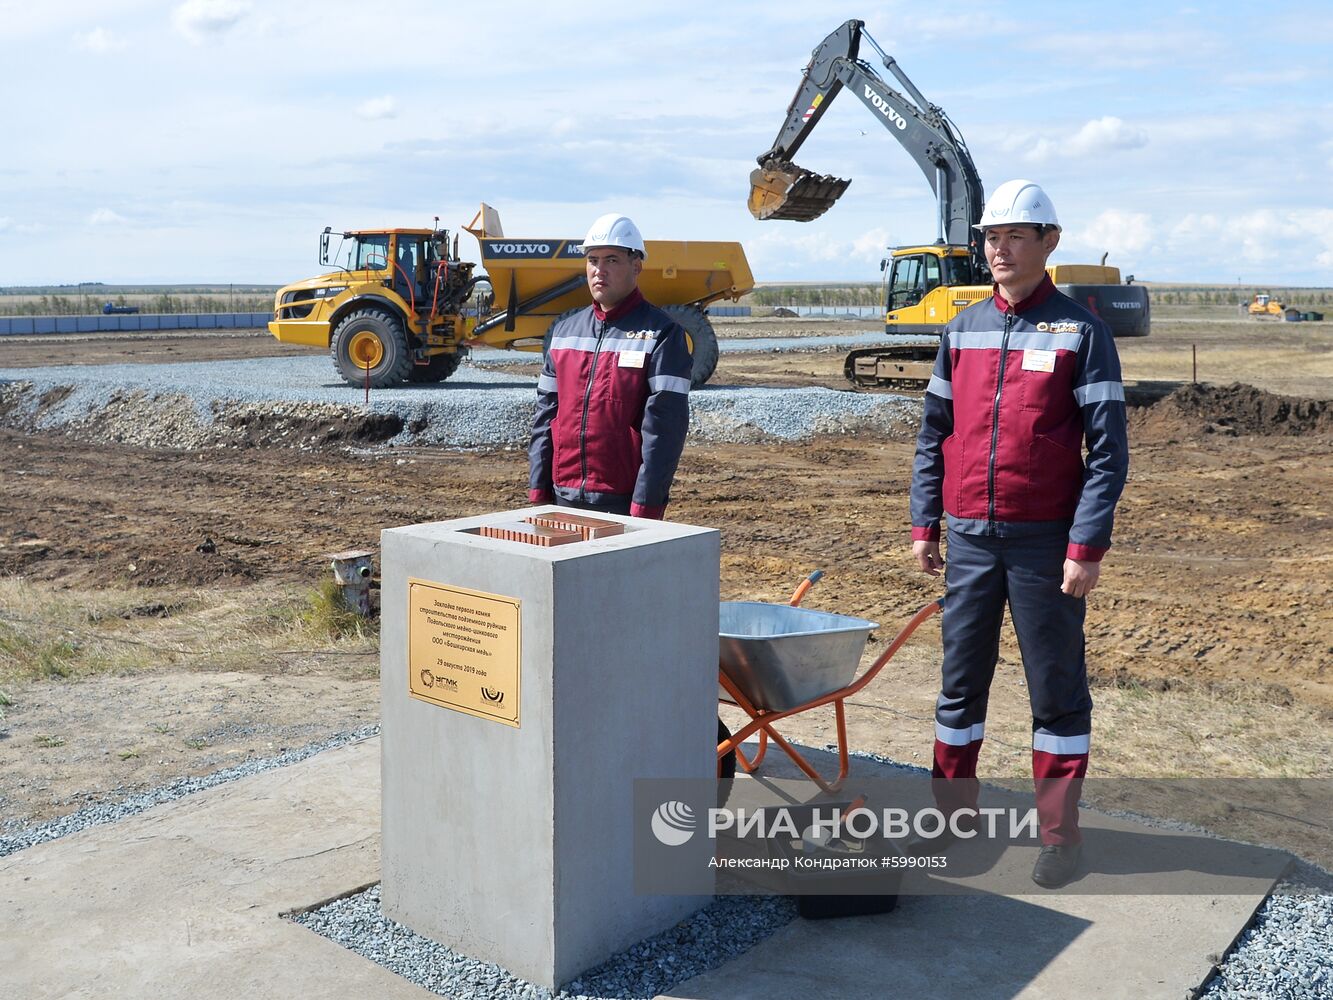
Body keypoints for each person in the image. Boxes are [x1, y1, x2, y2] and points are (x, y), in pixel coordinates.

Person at [909, 179, 1129, 889]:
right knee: (957, 689)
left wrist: (1084, 547)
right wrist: (925, 521)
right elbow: (932, 434)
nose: (998, 250)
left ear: (1048, 244)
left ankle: (1060, 838)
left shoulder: (1078, 332)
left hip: (1043, 545)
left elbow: (1107, 453)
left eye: (1013, 237)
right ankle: (951, 823)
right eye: (990, 237)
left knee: (1056, 694)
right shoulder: (962, 326)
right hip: (970, 537)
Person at [528, 213, 692, 518]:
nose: (599, 271)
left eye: (612, 260)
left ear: (636, 265)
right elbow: (545, 416)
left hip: (623, 503)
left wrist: (646, 505)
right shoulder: (565, 332)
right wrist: (539, 488)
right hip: (562, 495)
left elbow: (664, 431)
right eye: (593, 260)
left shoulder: (663, 334)